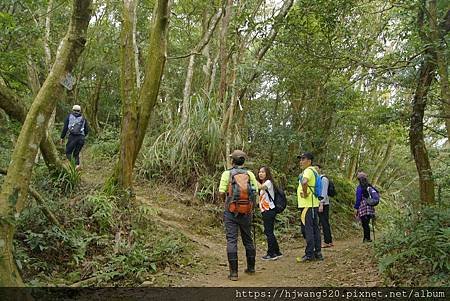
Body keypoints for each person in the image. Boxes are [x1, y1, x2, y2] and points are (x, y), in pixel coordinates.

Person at [218, 150, 259, 281]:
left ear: (232, 161)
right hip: (246, 211)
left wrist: (227, 202)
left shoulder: (227, 173)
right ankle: (251, 268)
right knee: (248, 239)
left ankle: (234, 273)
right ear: (244, 161)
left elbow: (221, 192)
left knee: (231, 240)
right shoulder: (250, 174)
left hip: (231, 211)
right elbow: (255, 191)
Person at [297, 152, 323, 262]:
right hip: (313, 204)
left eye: (304, 159)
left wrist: (305, 192)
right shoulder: (314, 171)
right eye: (300, 159)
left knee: (307, 229)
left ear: (309, 161)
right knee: (315, 229)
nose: (301, 161)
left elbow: (304, 181)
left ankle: (309, 254)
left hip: (307, 205)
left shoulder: (308, 171)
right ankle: (318, 252)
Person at [257, 166, 282, 261]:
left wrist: (251, 178)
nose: (260, 173)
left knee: (268, 232)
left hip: (269, 210)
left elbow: (260, 187)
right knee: (269, 231)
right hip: (265, 210)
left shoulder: (268, 182)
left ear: (267, 173)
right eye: (259, 172)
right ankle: (277, 251)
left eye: (263, 172)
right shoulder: (264, 183)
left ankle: (271, 253)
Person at [60, 105, 89, 170]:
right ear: (80, 111)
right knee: (76, 153)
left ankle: (75, 165)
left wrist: (62, 137)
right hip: (81, 138)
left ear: (72, 110)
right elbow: (87, 130)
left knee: (68, 152)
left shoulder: (69, 117)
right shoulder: (83, 118)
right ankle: (77, 166)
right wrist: (84, 136)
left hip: (72, 137)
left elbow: (65, 128)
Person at [354, 172, 378, 242]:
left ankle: (366, 238)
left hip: (363, 206)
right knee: (367, 223)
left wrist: (356, 208)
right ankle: (367, 238)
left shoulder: (359, 188)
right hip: (370, 206)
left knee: (364, 224)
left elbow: (358, 199)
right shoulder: (369, 186)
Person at [315, 164, 333, 248]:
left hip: (324, 204)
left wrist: (321, 203)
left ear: (320, 169)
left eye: (316, 168)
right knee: (323, 222)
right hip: (320, 203)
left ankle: (327, 241)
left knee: (324, 222)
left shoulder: (323, 179)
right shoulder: (318, 179)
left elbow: (324, 192)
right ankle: (328, 241)